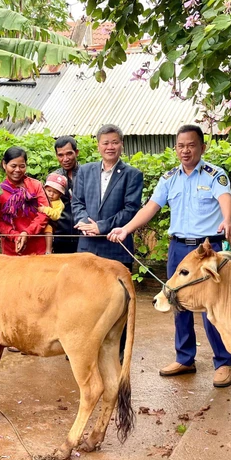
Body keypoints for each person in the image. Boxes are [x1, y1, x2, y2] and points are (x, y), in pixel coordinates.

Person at [108, 124, 231, 388]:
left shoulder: (215, 175)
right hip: (179, 248)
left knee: (211, 307)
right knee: (178, 302)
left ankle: (223, 363)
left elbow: (225, 199)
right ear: (175, 148)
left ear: (202, 147)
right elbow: (150, 208)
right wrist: (126, 229)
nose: (185, 150)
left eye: (191, 145)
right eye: (181, 146)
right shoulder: (169, 178)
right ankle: (185, 358)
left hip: (206, 249)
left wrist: (228, 220)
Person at [71, 124, 143, 361]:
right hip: (87, 247)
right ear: (98, 145)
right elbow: (77, 203)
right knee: (83, 301)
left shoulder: (132, 174)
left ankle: (118, 352)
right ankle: (85, 346)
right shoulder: (85, 171)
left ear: (121, 145)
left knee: (118, 304)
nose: (110, 147)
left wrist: (101, 227)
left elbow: (131, 209)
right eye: (105, 142)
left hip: (116, 247)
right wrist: (83, 222)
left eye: (114, 142)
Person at [0, 147, 50, 257]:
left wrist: (27, 233)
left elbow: (44, 213)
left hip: (37, 248)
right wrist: (15, 236)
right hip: (12, 250)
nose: (18, 170)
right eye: (13, 166)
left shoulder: (35, 185)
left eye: (22, 166)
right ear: (4, 165)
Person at [50, 136, 81, 253]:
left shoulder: (87, 174)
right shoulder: (53, 178)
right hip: (60, 236)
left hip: (85, 235)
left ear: (76, 152)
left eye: (69, 154)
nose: (65, 159)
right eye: (61, 155)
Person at [40, 173, 67, 254]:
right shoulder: (42, 197)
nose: (51, 194)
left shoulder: (59, 203)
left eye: (55, 192)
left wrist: (45, 209)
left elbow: (56, 215)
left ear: (60, 194)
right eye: (49, 191)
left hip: (51, 223)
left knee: (48, 228)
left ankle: (48, 249)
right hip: (40, 221)